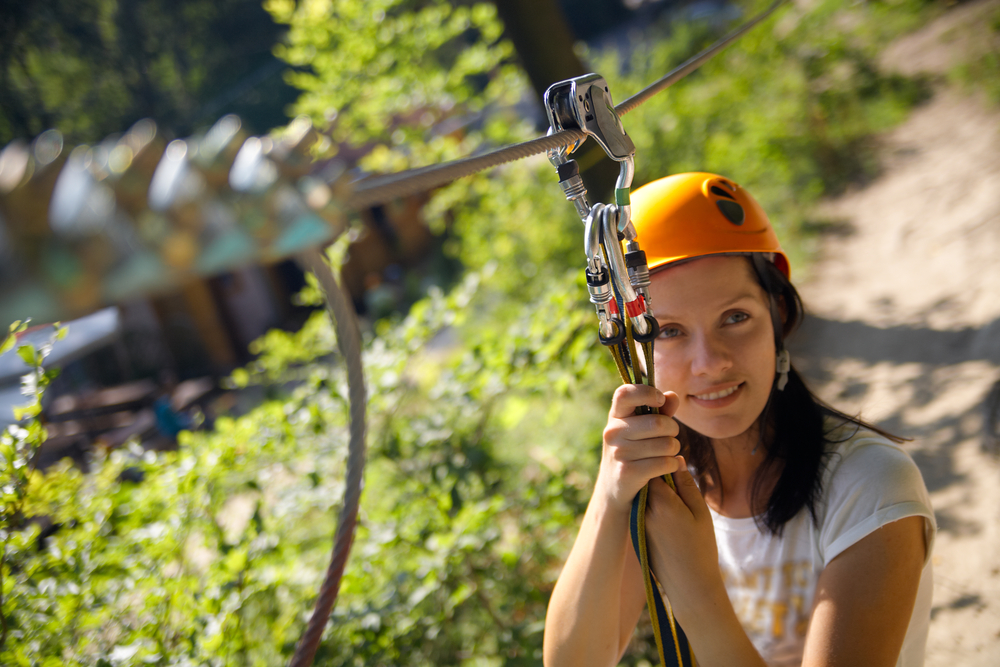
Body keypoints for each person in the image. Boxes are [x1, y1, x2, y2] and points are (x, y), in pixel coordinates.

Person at [542, 173, 935, 667]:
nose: (710, 362)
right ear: (635, 355)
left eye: (735, 317)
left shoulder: (869, 486)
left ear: (779, 314)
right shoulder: (661, 485)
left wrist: (697, 594)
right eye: (668, 331)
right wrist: (610, 491)